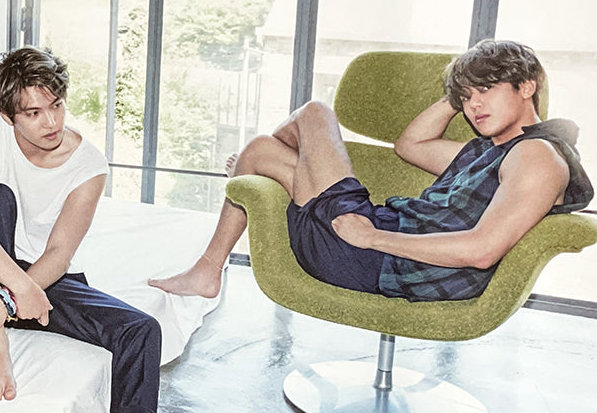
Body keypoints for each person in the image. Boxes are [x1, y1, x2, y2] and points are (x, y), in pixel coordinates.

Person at [0, 46, 198, 413]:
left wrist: (12, 297)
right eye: (33, 113)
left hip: (43, 280)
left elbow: (59, 254)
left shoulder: (88, 165)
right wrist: (11, 294)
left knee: (142, 330)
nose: (51, 122)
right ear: (8, 115)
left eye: (56, 105)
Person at [150, 40, 593, 301]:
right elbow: (411, 146)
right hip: (374, 247)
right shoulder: (493, 151)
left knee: (314, 113)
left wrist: (372, 237)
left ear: (527, 86)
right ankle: (209, 267)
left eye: (487, 90)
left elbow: (481, 250)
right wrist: (455, 92)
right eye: (467, 97)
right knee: (259, 151)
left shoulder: (537, 155)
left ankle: (219, 246)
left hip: (377, 258)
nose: (474, 105)